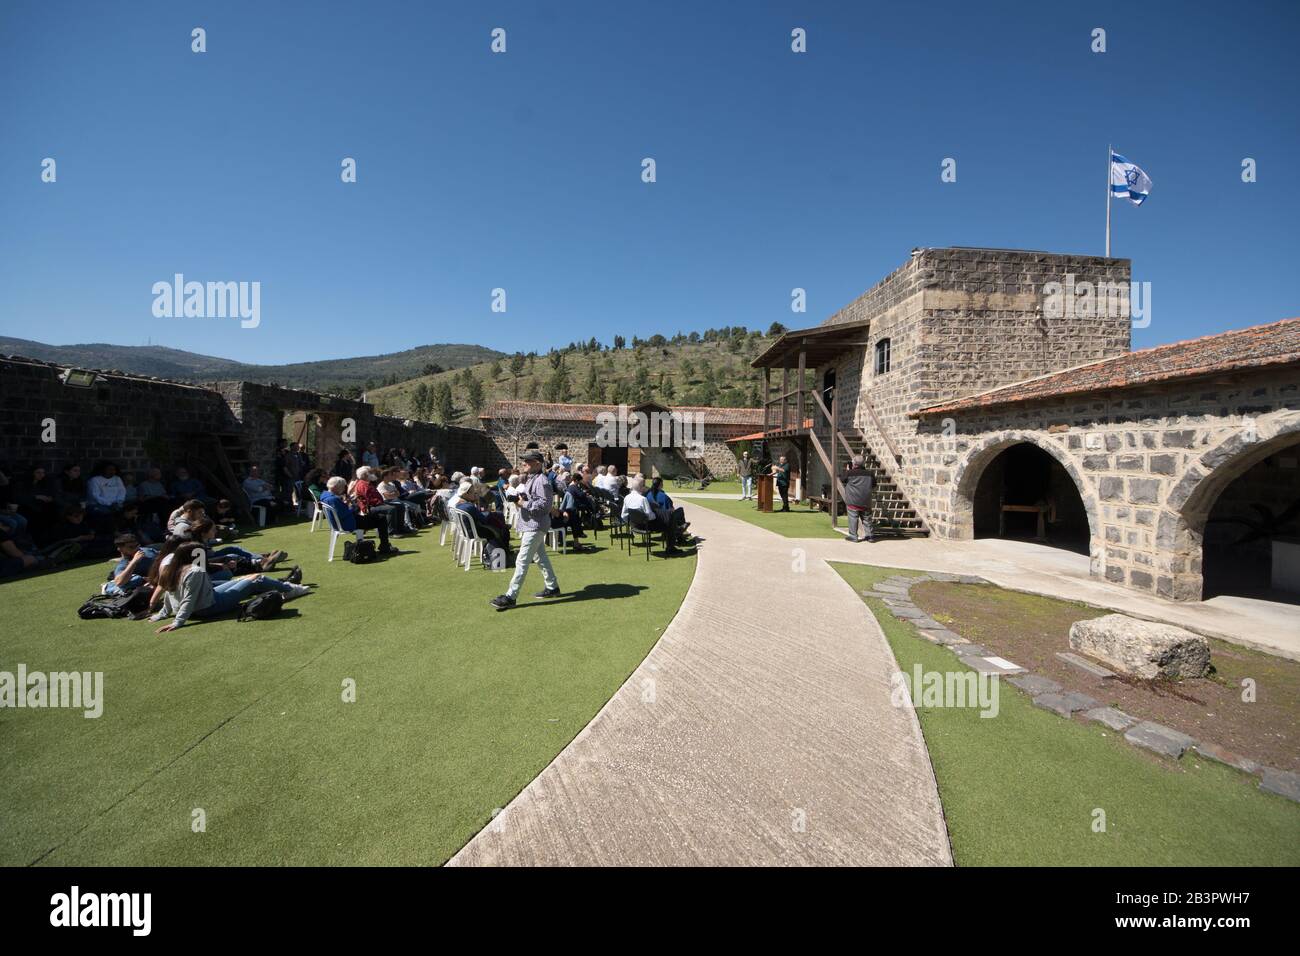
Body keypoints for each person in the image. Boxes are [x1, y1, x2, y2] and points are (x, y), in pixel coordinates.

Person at [150, 542, 310, 632]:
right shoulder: (194, 570)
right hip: (207, 607)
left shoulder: (171, 568)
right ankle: (291, 589)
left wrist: (163, 613)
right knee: (256, 579)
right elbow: (189, 598)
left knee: (245, 579)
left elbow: (170, 595)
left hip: (206, 598)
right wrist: (178, 622)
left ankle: (285, 584)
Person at [490, 450, 560, 610]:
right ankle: (552, 587)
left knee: (522, 560)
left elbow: (544, 506)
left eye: (527, 462)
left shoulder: (541, 481)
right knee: (541, 558)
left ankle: (511, 596)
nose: (523, 464)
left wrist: (522, 503)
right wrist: (520, 497)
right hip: (533, 525)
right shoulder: (533, 479)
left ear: (537, 463)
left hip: (535, 525)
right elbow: (537, 500)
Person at [320, 476, 396, 555]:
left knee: (377, 517)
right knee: (381, 519)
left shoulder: (325, 495)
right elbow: (344, 514)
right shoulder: (333, 499)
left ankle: (384, 546)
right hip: (348, 523)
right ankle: (385, 547)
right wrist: (354, 507)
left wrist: (346, 504)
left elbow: (340, 510)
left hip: (343, 522)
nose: (343, 489)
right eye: (342, 487)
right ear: (336, 487)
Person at [622, 475, 681, 552]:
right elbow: (651, 516)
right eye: (644, 485)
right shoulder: (642, 499)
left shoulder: (627, 497)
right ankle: (671, 547)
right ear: (641, 487)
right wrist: (655, 514)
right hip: (646, 525)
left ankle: (676, 533)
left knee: (667, 515)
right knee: (669, 518)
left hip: (635, 525)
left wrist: (632, 523)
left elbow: (623, 515)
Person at [843, 455, 876, 543]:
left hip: (853, 500)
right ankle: (870, 536)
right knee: (867, 518)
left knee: (853, 518)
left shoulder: (849, 473)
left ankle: (853, 536)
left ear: (854, 463)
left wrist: (847, 470)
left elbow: (843, 480)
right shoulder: (870, 473)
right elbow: (874, 485)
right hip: (866, 500)